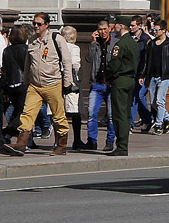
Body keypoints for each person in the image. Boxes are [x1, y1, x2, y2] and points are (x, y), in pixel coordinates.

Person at [2, 13, 73, 156]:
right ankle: (21, 144)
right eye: (34, 23)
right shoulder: (32, 40)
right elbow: (29, 63)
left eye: (39, 24)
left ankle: (61, 145)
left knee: (58, 116)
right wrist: (27, 82)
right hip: (35, 85)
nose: (36, 26)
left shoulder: (56, 39)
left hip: (53, 83)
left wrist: (67, 82)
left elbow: (66, 62)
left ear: (47, 25)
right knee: (27, 114)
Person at [82, 19, 116, 151]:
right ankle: (92, 141)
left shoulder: (115, 43)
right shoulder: (95, 45)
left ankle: (110, 141)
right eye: (100, 29)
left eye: (105, 29)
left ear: (110, 29)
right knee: (91, 114)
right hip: (96, 84)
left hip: (110, 85)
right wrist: (93, 43)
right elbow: (89, 59)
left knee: (111, 116)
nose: (102, 32)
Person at [106, 17, 138, 156]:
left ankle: (122, 146)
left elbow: (114, 64)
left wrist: (107, 76)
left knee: (119, 114)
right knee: (125, 114)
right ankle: (123, 145)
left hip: (120, 80)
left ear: (120, 26)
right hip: (130, 80)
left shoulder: (121, 44)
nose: (113, 28)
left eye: (115, 25)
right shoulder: (132, 42)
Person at [144, 20, 169, 134]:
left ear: (164, 30)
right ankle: (168, 118)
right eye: (153, 30)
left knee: (160, 101)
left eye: (157, 30)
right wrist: (145, 76)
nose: (155, 32)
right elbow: (147, 61)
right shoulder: (152, 44)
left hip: (165, 76)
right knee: (154, 102)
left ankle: (158, 125)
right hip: (153, 76)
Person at [0, 26, 27, 146]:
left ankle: (11, 135)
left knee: (17, 111)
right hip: (23, 84)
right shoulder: (27, 49)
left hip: (11, 85)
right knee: (23, 113)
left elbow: (4, 71)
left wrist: (5, 88)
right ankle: (7, 132)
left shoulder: (7, 50)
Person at [59, 26, 83, 150]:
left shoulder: (57, 47)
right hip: (72, 82)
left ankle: (59, 141)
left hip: (57, 80)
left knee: (58, 112)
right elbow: (75, 64)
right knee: (75, 112)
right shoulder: (74, 48)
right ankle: (77, 140)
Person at [128, 16, 152, 131]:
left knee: (137, 97)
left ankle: (131, 124)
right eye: (130, 25)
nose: (130, 27)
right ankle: (147, 119)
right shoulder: (129, 37)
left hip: (142, 74)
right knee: (135, 97)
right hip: (132, 72)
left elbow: (146, 59)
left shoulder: (146, 40)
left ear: (139, 26)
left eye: (133, 25)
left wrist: (143, 75)